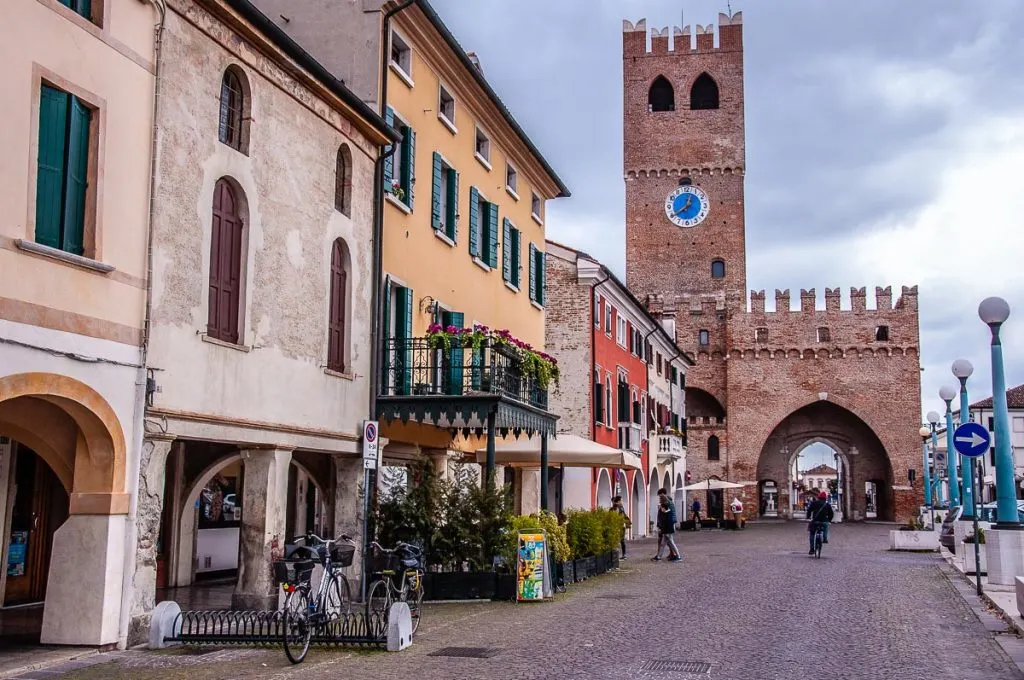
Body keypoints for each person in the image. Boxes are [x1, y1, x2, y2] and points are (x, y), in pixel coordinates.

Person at [653, 489, 681, 562]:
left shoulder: (668, 508)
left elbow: (666, 519)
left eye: (660, 496)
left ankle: (677, 556)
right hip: (666, 527)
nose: (660, 508)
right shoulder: (667, 508)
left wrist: (661, 527)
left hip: (668, 527)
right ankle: (659, 556)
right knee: (663, 542)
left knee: (670, 542)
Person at [806, 490, 834, 554]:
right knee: (826, 525)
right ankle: (824, 538)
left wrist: (808, 517)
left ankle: (812, 549)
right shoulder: (827, 505)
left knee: (812, 534)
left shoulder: (814, 503)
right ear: (825, 498)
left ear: (819, 497)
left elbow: (809, 510)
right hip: (824, 521)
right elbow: (831, 514)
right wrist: (829, 520)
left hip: (815, 521)